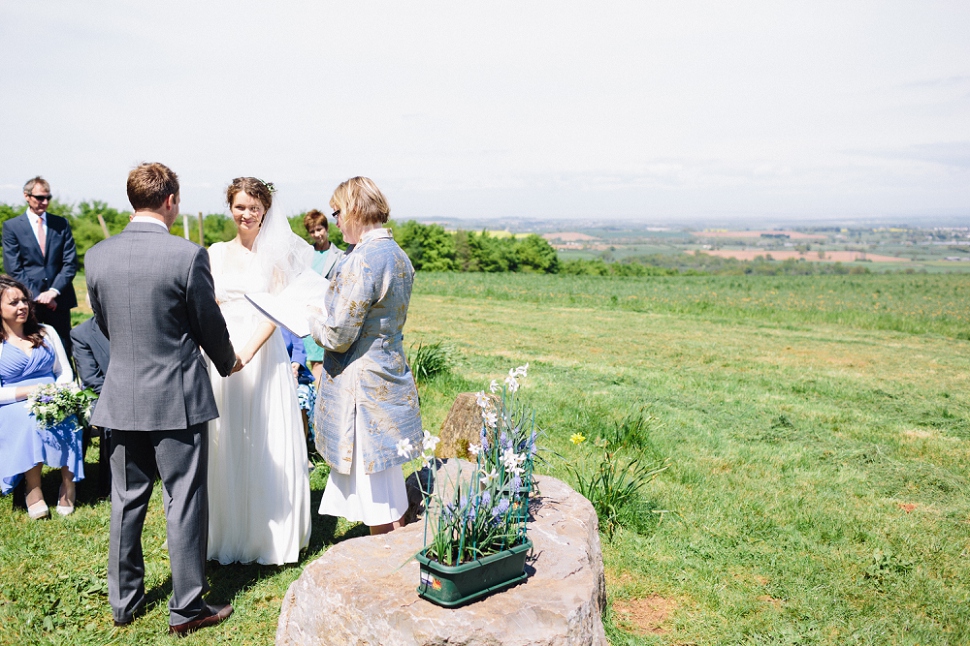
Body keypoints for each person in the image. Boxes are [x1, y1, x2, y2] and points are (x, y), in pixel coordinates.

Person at [85, 162, 240, 636]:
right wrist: (227, 360)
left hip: (121, 395)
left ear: (132, 200)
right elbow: (207, 322)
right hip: (177, 398)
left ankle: (123, 603)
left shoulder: (97, 256)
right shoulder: (187, 255)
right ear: (170, 201)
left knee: (126, 500)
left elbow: (104, 324)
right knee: (184, 499)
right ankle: (187, 607)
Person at [205, 177, 311, 565]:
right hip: (221, 350)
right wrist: (221, 350)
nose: (246, 214)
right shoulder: (215, 252)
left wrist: (246, 353)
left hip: (262, 354)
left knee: (266, 435)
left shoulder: (275, 258)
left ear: (265, 210)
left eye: (254, 208)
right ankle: (228, 530)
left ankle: (266, 533)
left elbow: (276, 313)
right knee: (226, 437)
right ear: (230, 208)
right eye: (240, 206)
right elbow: (207, 302)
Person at [309, 177, 422, 535]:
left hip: (362, 389)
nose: (336, 221)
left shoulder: (361, 260)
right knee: (388, 487)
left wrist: (311, 318)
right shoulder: (397, 254)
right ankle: (394, 550)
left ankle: (384, 561)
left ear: (355, 209)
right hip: (389, 373)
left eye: (337, 212)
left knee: (375, 496)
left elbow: (338, 335)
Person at [0, 275, 84, 518]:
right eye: (13, 303)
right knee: (29, 420)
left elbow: (64, 371)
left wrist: (59, 393)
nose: (22, 306)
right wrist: (31, 393)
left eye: (24, 300)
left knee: (70, 419)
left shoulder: (46, 332)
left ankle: (68, 486)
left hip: (53, 395)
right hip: (13, 402)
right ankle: (33, 488)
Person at [1, 177, 79, 357]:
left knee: (64, 350)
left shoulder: (61, 224)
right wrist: (37, 296)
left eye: (47, 197)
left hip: (58, 301)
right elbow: (13, 267)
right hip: (28, 302)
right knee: (33, 349)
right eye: (39, 197)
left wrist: (53, 292)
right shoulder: (12, 226)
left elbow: (70, 262)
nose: (44, 202)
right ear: (27, 196)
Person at [70, 313, 113, 497]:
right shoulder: (82, 333)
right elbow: (92, 380)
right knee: (111, 417)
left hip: (143, 389)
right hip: (103, 395)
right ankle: (109, 486)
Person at [301, 209, 344, 383]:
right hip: (308, 314)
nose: (317, 234)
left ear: (326, 229)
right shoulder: (305, 255)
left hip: (328, 314)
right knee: (313, 362)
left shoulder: (340, 256)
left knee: (327, 363)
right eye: (312, 231)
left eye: (319, 229)